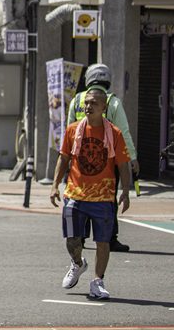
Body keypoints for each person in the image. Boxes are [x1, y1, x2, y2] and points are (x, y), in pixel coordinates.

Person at [50, 85, 132, 300]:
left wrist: (125, 191)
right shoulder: (73, 130)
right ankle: (77, 263)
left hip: (103, 198)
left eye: (93, 103)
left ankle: (97, 282)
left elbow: (123, 164)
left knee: (103, 242)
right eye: (86, 102)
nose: (88, 106)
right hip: (74, 194)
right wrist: (54, 185)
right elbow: (64, 158)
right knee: (72, 240)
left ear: (104, 107)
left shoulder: (114, 133)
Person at [66, 62, 138, 252]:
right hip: (106, 162)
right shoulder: (112, 101)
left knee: (79, 199)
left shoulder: (77, 100)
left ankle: (79, 238)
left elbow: (69, 130)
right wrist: (132, 157)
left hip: (80, 162)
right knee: (107, 200)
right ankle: (109, 238)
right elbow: (123, 132)